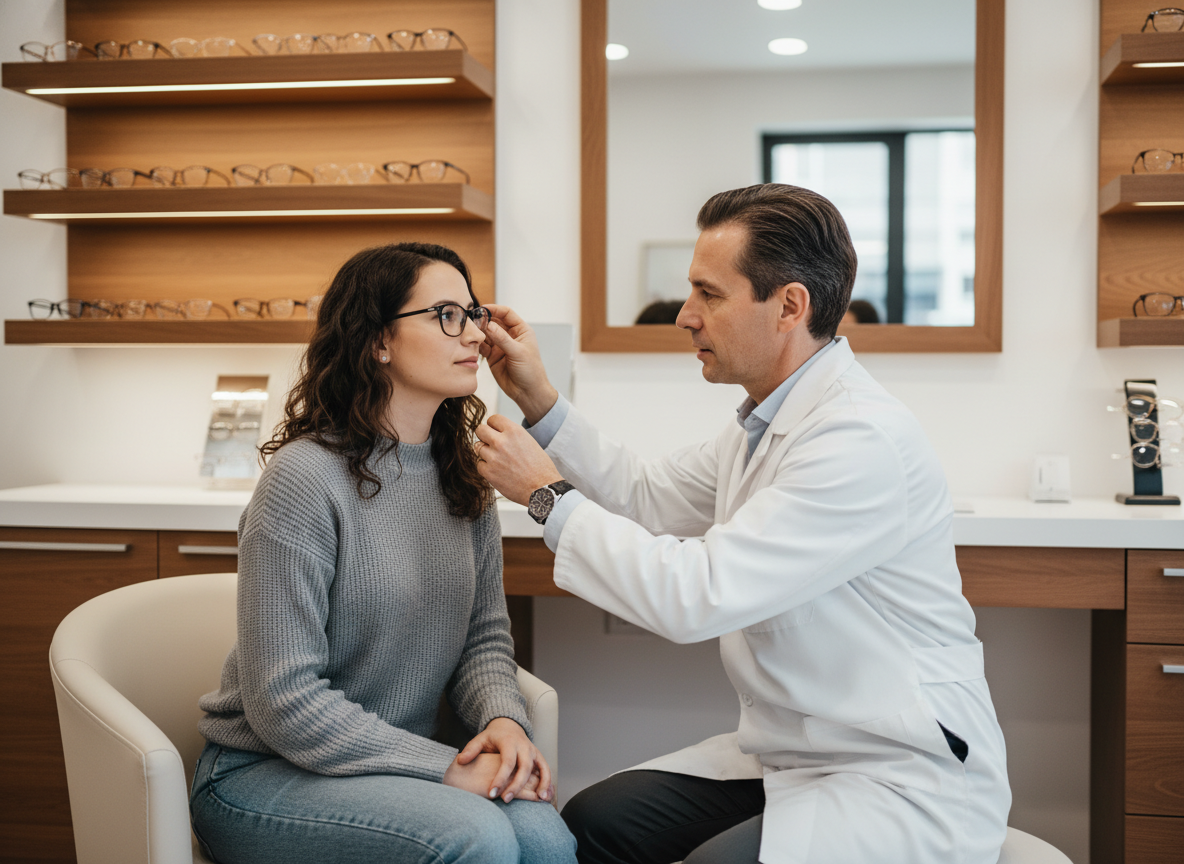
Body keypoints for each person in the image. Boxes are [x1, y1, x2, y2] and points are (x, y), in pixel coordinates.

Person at [472, 184, 1011, 864]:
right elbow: (644, 495)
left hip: (893, 769)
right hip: (794, 752)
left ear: (789, 305)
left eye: (709, 294)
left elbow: (697, 595)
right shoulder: (764, 424)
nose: (685, 316)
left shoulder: (858, 439)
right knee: (599, 823)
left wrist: (544, 495)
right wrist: (538, 399)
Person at [190, 242, 577, 864]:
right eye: (446, 314)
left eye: (473, 312)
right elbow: (283, 701)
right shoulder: (305, 479)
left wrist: (504, 721)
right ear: (378, 342)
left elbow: (482, 641)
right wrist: (445, 766)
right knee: (476, 838)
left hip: (388, 770)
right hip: (261, 775)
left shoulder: (465, 475)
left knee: (546, 841)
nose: (475, 332)